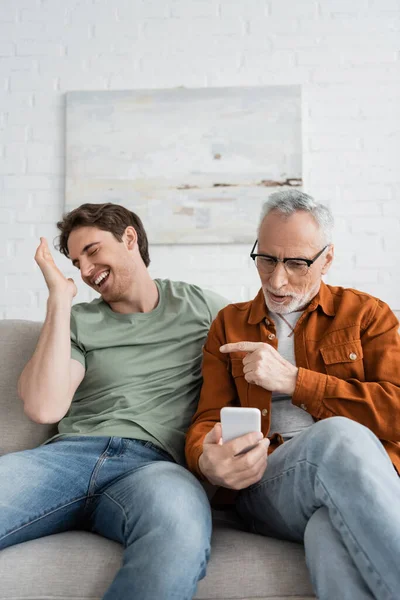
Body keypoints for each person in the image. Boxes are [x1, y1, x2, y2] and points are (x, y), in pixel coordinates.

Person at [0, 202, 227, 600]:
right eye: (75, 262)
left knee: (180, 530)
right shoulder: (78, 320)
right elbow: (44, 408)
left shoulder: (201, 307)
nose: (86, 271)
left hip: (153, 467)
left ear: (129, 238)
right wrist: (59, 300)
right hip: (66, 458)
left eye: (92, 251)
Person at [185, 190, 400, 600]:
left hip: (362, 483)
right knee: (338, 437)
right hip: (268, 488)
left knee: (327, 533)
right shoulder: (229, 325)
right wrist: (205, 459)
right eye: (266, 259)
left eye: (297, 263)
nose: (277, 279)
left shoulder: (367, 315)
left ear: (327, 259)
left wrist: (295, 381)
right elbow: (206, 420)